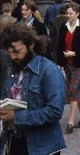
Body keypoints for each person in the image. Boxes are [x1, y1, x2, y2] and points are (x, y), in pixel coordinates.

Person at [0, 23, 66, 155]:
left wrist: (17, 117)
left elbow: (55, 110)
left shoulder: (49, 70)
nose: (12, 57)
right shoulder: (10, 68)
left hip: (42, 146)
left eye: (17, 51)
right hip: (12, 141)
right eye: (10, 52)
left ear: (30, 45)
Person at [56, 1, 80, 134]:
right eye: (67, 13)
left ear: (77, 14)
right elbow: (59, 45)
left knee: (72, 90)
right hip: (68, 64)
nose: (68, 15)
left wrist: (75, 52)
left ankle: (70, 121)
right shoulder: (63, 27)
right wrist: (59, 61)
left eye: (71, 13)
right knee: (77, 92)